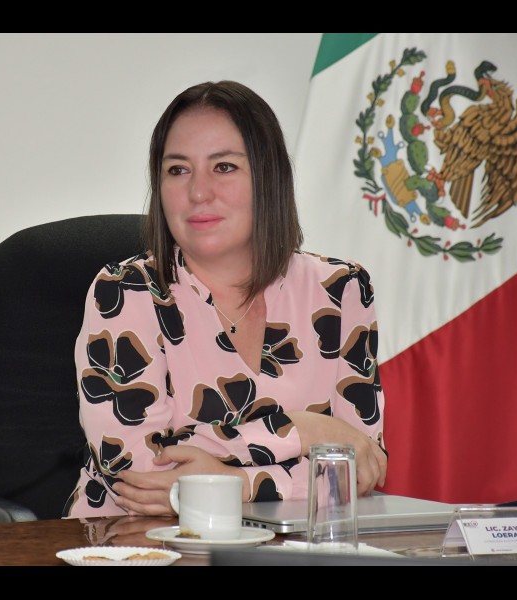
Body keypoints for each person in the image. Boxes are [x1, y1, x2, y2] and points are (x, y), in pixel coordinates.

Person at [63, 80, 387, 518]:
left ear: (268, 177)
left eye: (224, 167)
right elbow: (142, 474)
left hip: (288, 547)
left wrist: (239, 485)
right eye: (178, 170)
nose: (199, 192)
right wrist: (306, 430)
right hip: (134, 542)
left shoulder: (341, 290)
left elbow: (359, 469)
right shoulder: (125, 292)